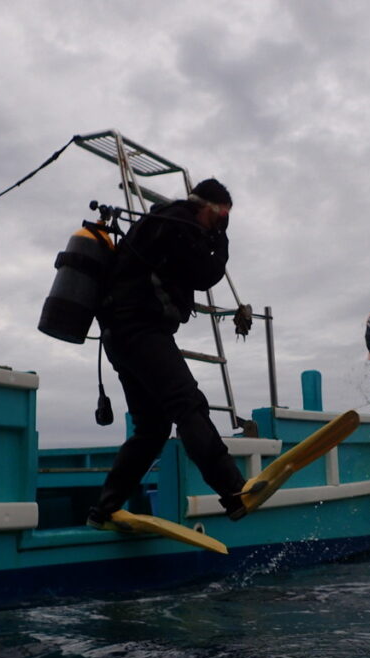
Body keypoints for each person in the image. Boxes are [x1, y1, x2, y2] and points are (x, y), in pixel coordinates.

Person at [88, 178, 246, 528]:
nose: (220, 225)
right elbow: (206, 274)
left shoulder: (164, 222)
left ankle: (104, 509)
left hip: (119, 335)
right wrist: (223, 239)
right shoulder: (179, 224)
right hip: (140, 331)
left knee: (153, 427)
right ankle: (234, 491)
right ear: (208, 208)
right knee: (187, 404)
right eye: (221, 218)